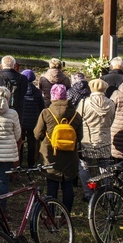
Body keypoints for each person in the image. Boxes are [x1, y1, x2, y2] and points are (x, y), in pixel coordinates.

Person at [34, 84, 82, 213]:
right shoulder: (76, 115)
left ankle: (51, 213)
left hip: (51, 153)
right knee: (68, 185)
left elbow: (37, 134)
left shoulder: (46, 113)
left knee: (52, 184)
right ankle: (66, 215)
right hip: (70, 156)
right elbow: (80, 136)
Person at [77, 79, 115, 200]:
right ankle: (108, 192)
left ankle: (88, 193)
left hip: (88, 139)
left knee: (84, 166)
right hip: (104, 139)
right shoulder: (111, 103)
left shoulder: (84, 103)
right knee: (105, 167)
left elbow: (78, 119)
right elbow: (111, 120)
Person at [21, 69, 45, 168]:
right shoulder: (37, 92)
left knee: (21, 141)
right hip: (33, 121)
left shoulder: (20, 90)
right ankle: (31, 162)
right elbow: (41, 107)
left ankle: (20, 160)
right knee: (32, 142)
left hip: (22, 120)